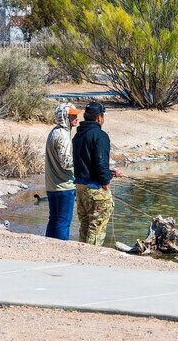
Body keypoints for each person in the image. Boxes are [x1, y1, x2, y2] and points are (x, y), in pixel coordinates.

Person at [72, 101, 124, 246]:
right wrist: (106, 182)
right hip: (95, 189)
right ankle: (91, 260)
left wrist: (110, 172)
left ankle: (80, 258)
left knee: (85, 226)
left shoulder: (78, 136)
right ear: (99, 118)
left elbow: (88, 162)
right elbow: (100, 164)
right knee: (96, 228)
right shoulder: (100, 135)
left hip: (80, 189)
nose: (103, 119)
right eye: (103, 116)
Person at [45, 103, 81, 240]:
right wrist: (82, 162)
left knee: (53, 219)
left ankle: (49, 246)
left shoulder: (54, 132)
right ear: (64, 117)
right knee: (63, 222)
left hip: (51, 185)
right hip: (64, 186)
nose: (77, 118)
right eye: (73, 116)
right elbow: (66, 163)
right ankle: (62, 249)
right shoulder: (63, 136)